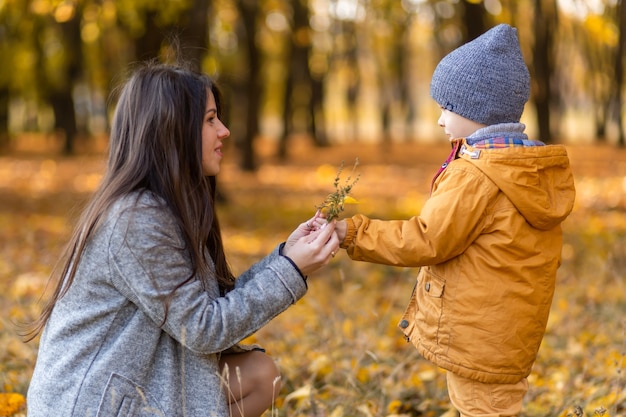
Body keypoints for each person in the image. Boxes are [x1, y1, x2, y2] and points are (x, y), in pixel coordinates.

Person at [25, 62, 340, 417]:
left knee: (260, 375)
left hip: (142, 379)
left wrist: (286, 256)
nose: (224, 131)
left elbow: (208, 305)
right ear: (172, 130)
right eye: (209, 120)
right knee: (255, 374)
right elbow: (204, 329)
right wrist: (290, 270)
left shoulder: (167, 208)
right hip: (93, 404)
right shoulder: (135, 220)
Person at [332, 24, 576, 416]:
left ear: (476, 109)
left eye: (446, 108)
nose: (441, 121)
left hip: (476, 338)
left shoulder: (477, 176)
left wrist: (352, 232)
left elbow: (426, 239)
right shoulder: (526, 168)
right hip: (505, 335)